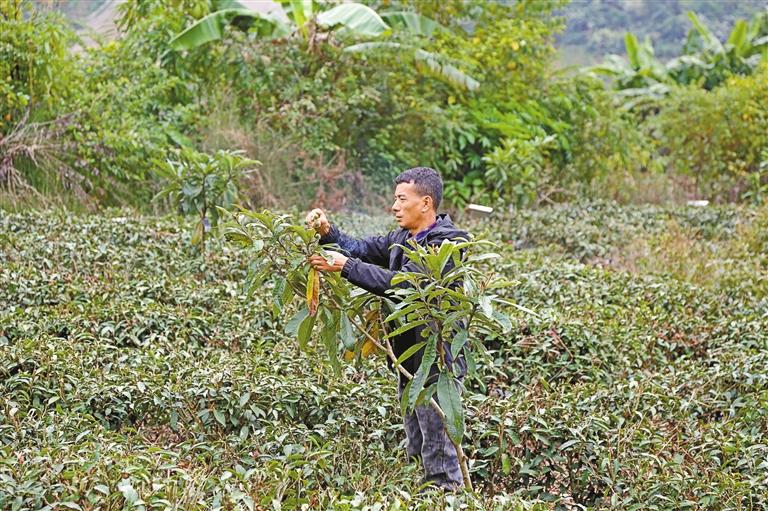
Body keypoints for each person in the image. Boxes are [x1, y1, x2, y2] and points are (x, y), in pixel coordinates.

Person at [306, 166, 469, 491]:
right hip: (407, 361)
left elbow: (406, 285)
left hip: (436, 364)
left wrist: (347, 267)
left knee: (440, 460)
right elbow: (359, 248)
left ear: (425, 202)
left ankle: (449, 498)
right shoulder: (400, 239)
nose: (394, 207)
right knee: (417, 446)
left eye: (401, 199)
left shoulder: (449, 243)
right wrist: (327, 232)